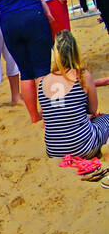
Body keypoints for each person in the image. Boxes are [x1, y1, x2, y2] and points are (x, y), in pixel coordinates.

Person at [36, 30, 109, 160]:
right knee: (106, 119)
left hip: (54, 149)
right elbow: (92, 109)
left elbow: (48, 114)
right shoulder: (82, 76)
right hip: (82, 147)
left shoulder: (42, 82)